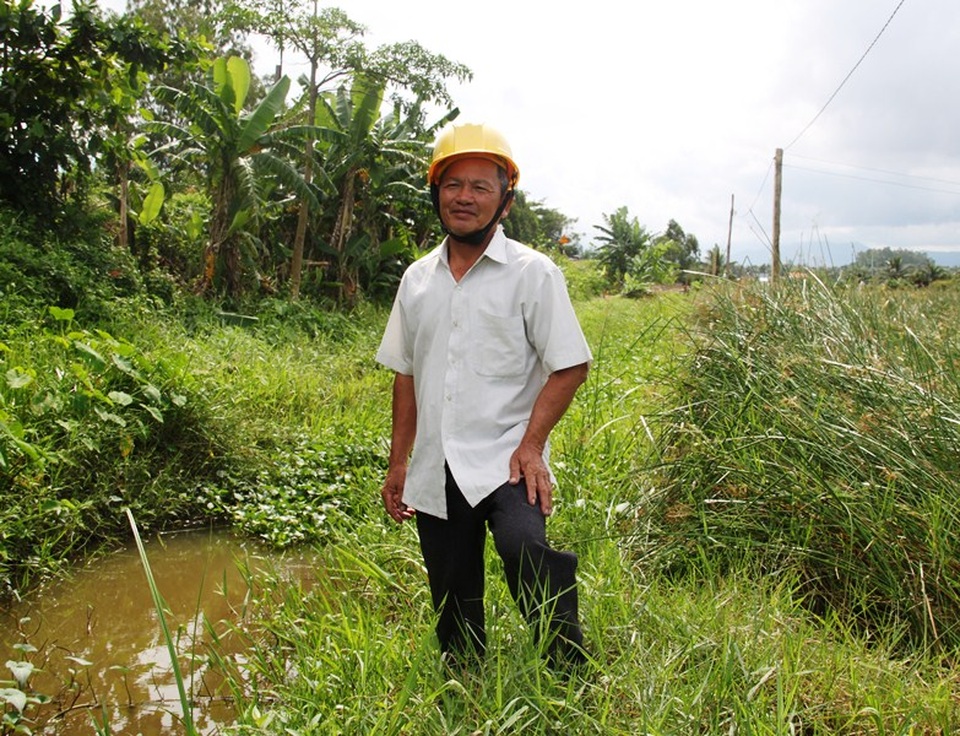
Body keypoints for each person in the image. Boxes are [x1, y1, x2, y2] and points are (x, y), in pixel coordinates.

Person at [375, 122, 592, 669]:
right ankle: (465, 678)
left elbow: (570, 365)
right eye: (452, 184)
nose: (464, 198)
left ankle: (568, 668)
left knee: (525, 549)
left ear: (505, 200)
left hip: (507, 457)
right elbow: (405, 374)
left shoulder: (532, 273)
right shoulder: (417, 280)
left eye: (480, 187)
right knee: (452, 584)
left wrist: (532, 445)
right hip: (436, 459)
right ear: (436, 192)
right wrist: (398, 462)